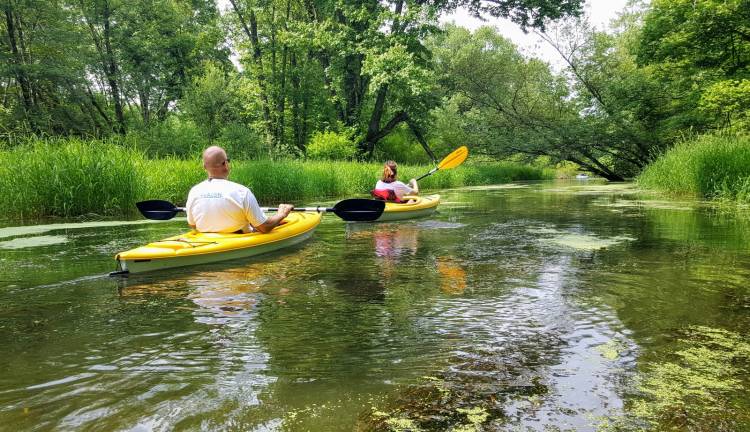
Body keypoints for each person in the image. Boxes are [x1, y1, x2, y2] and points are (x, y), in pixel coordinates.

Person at [186, 146, 293, 234]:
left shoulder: (194, 191)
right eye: (227, 161)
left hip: (206, 242)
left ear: (204, 166)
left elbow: (192, 224)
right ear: (225, 164)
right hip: (236, 240)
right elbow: (265, 227)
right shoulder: (242, 192)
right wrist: (282, 214)